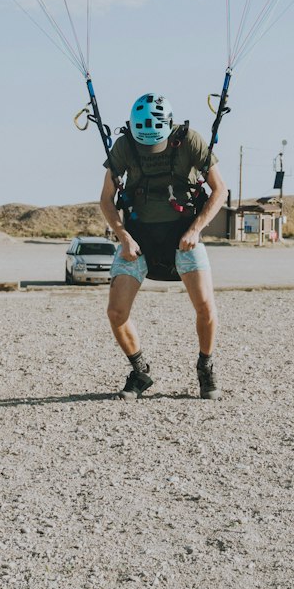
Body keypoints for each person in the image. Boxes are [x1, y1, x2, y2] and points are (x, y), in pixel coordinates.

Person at [98, 92, 228, 400]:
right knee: (116, 312)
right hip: (138, 235)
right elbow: (105, 198)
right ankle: (140, 371)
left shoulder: (190, 140)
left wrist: (196, 229)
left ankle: (205, 367)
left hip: (183, 235)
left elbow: (219, 190)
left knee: (206, 307)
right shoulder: (125, 145)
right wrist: (123, 236)